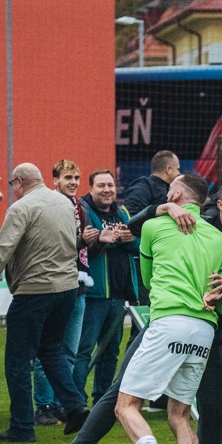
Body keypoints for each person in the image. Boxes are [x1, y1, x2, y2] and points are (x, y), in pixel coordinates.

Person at [39, 179, 222, 444]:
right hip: (181, 321)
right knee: (125, 394)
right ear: (219, 205)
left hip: (200, 325)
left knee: (208, 406)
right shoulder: (194, 225)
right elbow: (131, 226)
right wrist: (165, 207)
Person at [113, 173, 222, 444]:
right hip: (205, 330)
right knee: (179, 414)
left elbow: (147, 279)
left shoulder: (154, 228)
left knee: (126, 405)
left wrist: (159, 210)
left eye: (168, 192)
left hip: (169, 320)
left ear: (177, 194)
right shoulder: (220, 238)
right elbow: (221, 296)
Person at [0, 164, 89, 442]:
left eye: (12, 184)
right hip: (67, 288)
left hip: (34, 291)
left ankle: (22, 427)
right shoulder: (64, 203)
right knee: (51, 350)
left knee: (17, 360)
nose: (12, 190)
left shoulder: (21, 208)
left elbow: (1, 251)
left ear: (19, 182)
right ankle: (75, 406)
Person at [73, 170, 139, 406]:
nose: (107, 190)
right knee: (84, 350)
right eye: (101, 185)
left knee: (110, 352)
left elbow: (138, 247)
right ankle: (75, 403)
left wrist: (129, 240)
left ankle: (102, 401)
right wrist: (102, 240)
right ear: (91, 188)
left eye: (110, 185)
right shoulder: (82, 212)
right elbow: (80, 250)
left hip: (119, 295)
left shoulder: (122, 213)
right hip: (93, 294)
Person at [32, 160, 89, 425]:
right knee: (48, 349)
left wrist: (94, 242)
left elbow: (83, 252)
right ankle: (44, 405)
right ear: (54, 180)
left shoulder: (81, 208)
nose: (74, 182)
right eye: (68, 177)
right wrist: (82, 241)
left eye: (77, 177)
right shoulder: (49, 205)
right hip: (51, 286)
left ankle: (63, 404)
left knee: (69, 351)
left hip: (77, 287)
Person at [123, 150, 179, 215]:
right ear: (169, 169)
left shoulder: (172, 189)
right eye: (177, 169)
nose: (179, 173)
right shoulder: (142, 186)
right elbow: (130, 217)